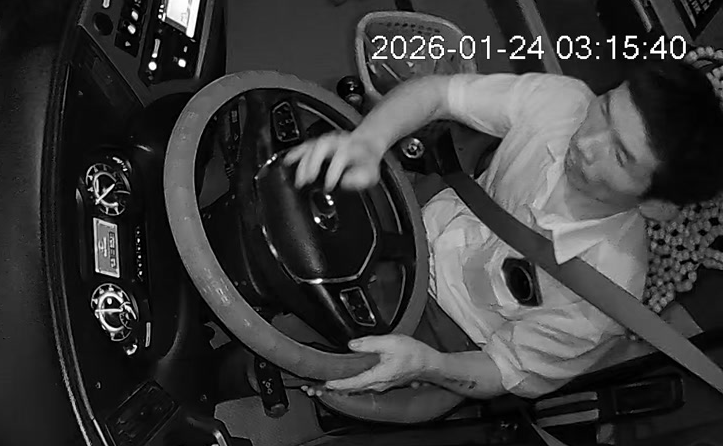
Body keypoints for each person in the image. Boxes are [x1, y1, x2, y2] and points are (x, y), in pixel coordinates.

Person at [288, 59, 723, 400]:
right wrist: (368, 140)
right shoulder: (563, 101)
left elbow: (506, 370)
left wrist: (427, 365)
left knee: (305, 356)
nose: (587, 142)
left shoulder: (606, 297)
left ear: (656, 205)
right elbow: (440, 94)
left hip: (449, 334)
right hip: (422, 219)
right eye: (606, 108)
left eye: (621, 156)